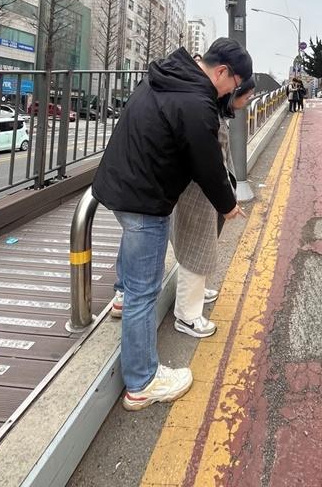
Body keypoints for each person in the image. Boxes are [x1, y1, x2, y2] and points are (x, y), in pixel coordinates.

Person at [93, 38, 252, 411]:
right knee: (144, 292)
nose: (233, 91)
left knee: (131, 274)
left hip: (118, 183)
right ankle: (142, 382)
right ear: (222, 73)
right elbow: (207, 163)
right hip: (145, 197)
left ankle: (119, 296)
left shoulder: (166, 74)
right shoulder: (197, 102)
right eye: (235, 82)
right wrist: (228, 206)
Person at [171, 77, 256, 339]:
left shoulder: (215, 114)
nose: (249, 99)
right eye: (246, 94)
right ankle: (187, 316)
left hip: (204, 191)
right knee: (196, 248)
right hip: (198, 192)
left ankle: (194, 296)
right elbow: (211, 165)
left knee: (201, 246)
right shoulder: (211, 119)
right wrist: (227, 202)